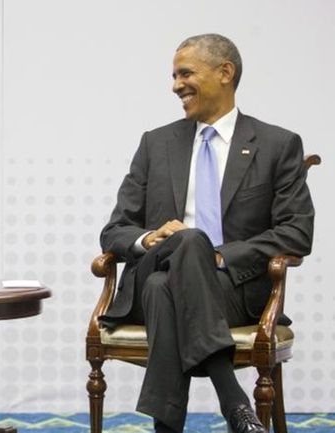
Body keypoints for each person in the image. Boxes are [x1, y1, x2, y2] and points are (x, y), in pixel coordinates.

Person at [99, 34, 314, 433]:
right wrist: (149, 239)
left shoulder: (276, 144)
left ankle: (166, 427)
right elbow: (114, 231)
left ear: (225, 73)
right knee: (186, 243)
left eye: (185, 73)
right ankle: (233, 400)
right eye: (174, 75)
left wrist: (219, 255)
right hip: (152, 269)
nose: (175, 85)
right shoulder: (156, 143)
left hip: (232, 291)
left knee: (166, 285)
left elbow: (297, 233)